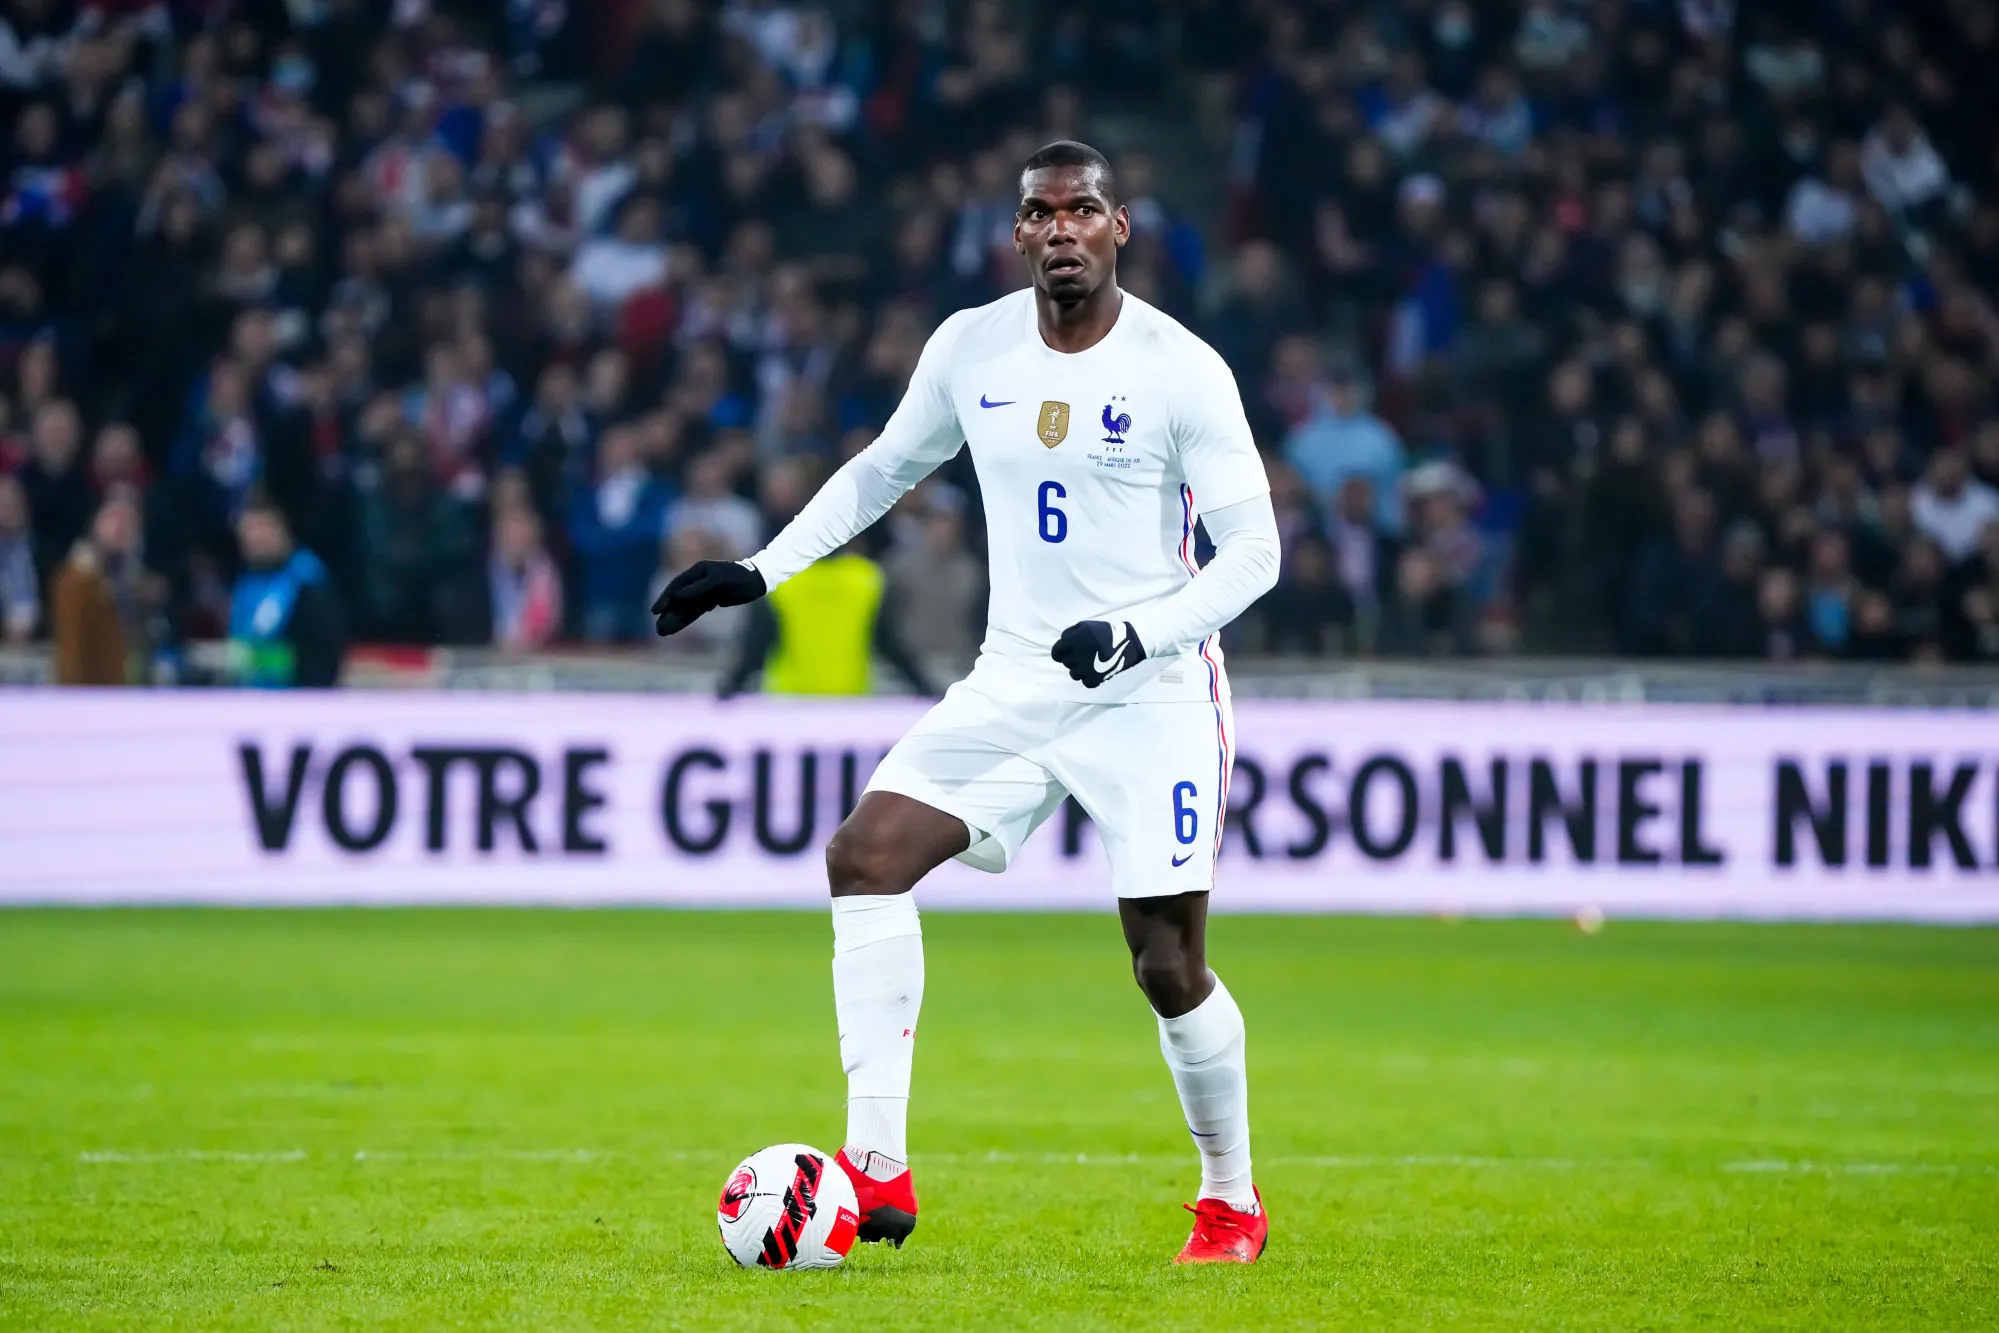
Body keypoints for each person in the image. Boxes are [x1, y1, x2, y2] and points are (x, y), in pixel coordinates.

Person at [650, 142, 1279, 1263]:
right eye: (1043, 214)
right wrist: (760, 570)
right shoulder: (970, 346)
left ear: (1120, 228)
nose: (1064, 230)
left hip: (1155, 690)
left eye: (1085, 210)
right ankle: (877, 1169)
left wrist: (1139, 633)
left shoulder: (1182, 369)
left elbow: (1254, 555)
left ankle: (1229, 1198)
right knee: (865, 854)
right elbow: (882, 470)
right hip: (1016, 677)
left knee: (1166, 966)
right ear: (1019, 233)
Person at [229, 496, 345, 688]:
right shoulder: (247, 580)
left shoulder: (307, 582)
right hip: (247, 700)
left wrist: (245, 658)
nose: (255, 538)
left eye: (262, 529)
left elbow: (319, 655)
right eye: (248, 531)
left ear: (282, 530)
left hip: (293, 703)